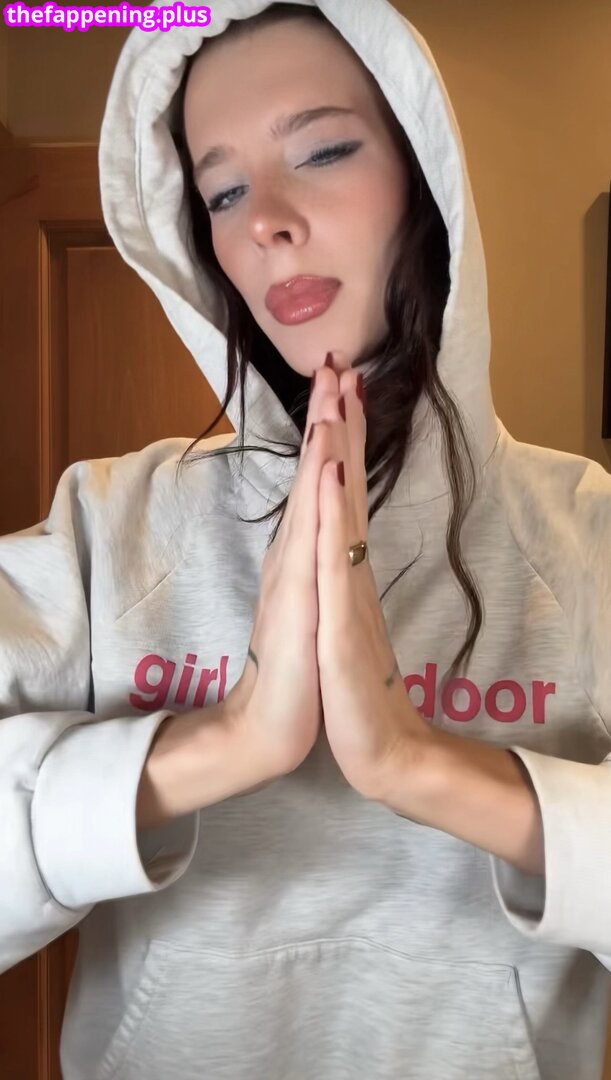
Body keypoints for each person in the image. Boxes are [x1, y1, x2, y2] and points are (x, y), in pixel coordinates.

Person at [1, 0, 610, 1077]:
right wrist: (228, 741)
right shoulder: (107, 524)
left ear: (421, 177)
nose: (265, 223)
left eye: (322, 151)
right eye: (222, 191)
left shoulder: (584, 533)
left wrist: (417, 763)